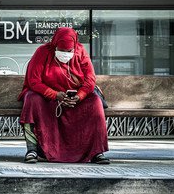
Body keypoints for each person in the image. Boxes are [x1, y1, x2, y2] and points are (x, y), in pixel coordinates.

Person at [18, 27, 110, 164]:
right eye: (61, 51)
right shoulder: (42, 52)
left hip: (75, 99)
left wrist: (79, 96)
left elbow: (90, 80)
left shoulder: (80, 52)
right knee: (31, 99)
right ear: (55, 45)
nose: (65, 54)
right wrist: (55, 95)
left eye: (68, 51)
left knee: (95, 102)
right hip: (48, 98)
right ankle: (32, 150)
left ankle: (96, 151)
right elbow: (34, 80)